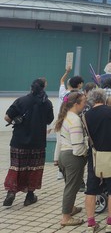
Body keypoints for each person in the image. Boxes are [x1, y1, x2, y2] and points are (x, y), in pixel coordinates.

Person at [3, 78, 54, 207]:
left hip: (18, 142)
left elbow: (7, 117)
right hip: (38, 142)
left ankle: (11, 192)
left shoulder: (21, 101)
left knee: (16, 166)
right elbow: (49, 120)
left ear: (31, 87)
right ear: (43, 88)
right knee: (34, 168)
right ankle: (29, 196)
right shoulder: (47, 103)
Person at [83, 88, 111, 232]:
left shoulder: (86, 115)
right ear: (104, 99)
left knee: (91, 190)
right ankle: (110, 222)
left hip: (95, 156)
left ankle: (91, 223)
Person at [54, 92, 88, 227]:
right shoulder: (74, 120)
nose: (85, 104)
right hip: (73, 157)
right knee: (71, 188)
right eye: (84, 102)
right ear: (76, 104)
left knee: (69, 186)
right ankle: (66, 217)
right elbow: (78, 145)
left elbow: (59, 140)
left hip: (63, 155)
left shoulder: (65, 116)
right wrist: (86, 154)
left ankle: (71, 208)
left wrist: (56, 158)